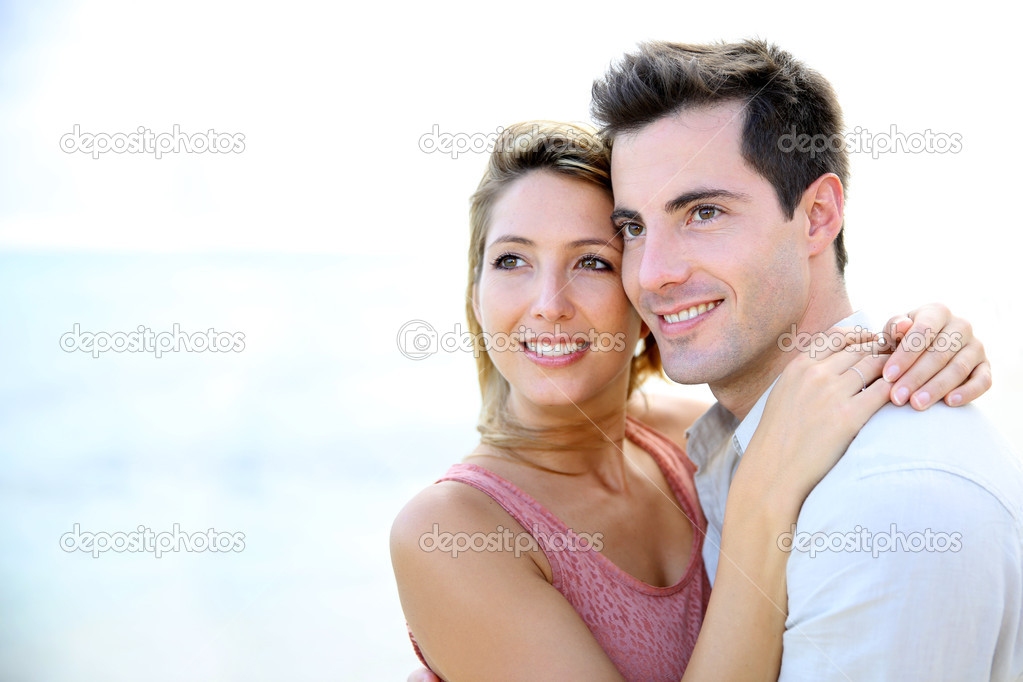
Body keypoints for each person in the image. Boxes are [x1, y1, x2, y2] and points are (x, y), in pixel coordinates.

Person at [390, 120, 993, 681]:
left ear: (643, 292)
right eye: (512, 260)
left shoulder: (692, 436)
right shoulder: (451, 530)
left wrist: (915, 344)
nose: (549, 302)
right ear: (475, 295)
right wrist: (763, 495)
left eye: (593, 262)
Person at [591, 39, 1022, 680]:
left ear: (818, 216)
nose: (652, 274)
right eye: (633, 229)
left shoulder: (887, 510)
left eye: (703, 213)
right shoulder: (733, 443)